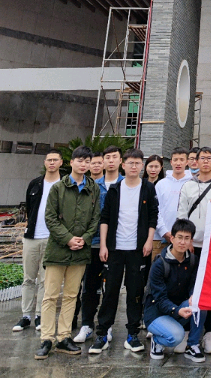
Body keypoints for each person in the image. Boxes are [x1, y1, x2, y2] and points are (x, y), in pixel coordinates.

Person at [88, 148, 158, 355]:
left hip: (138, 249)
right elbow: (105, 219)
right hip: (115, 249)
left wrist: (149, 241)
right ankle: (102, 334)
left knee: (135, 293)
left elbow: (153, 216)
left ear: (141, 166)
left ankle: (132, 334)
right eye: (130, 163)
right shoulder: (115, 189)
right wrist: (103, 245)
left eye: (137, 163)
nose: (134, 166)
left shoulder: (147, 188)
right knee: (110, 292)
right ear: (123, 165)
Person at [35, 146, 100, 360]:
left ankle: (64, 336)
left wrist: (84, 239)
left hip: (81, 250)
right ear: (71, 162)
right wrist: (68, 239)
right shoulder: (58, 187)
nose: (83, 164)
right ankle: (47, 338)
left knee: (72, 295)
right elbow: (50, 218)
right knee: (50, 295)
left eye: (87, 161)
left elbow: (95, 218)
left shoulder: (93, 188)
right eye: (80, 160)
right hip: (58, 249)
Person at [176, 146, 211, 361]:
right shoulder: (188, 185)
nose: (205, 162)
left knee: (209, 290)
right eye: (202, 158)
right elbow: (182, 215)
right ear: (196, 162)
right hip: (190, 246)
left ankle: (209, 333)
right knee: (187, 288)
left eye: (209, 158)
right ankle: (186, 331)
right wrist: (186, 240)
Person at [74, 146, 124, 344]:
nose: (110, 161)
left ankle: (106, 325)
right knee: (89, 286)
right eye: (107, 157)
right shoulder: (93, 185)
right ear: (102, 162)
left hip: (117, 244)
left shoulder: (125, 184)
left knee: (110, 288)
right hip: (93, 243)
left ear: (120, 161)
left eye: (114, 157)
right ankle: (86, 324)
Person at [14, 149, 63, 332]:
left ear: (61, 162)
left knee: (45, 280)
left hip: (52, 239)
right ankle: (26, 315)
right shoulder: (35, 184)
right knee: (28, 278)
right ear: (44, 162)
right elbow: (29, 207)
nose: (52, 163)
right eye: (49, 160)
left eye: (55, 160)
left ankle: (40, 315)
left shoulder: (64, 185)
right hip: (32, 237)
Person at [145, 219, 200, 361]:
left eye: (187, 238)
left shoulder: (193, 260)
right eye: (179, 237)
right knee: (175, 336)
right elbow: (159, 298)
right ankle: (157, 340)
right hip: (157, 312)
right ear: (172, 238)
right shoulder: (160, 264)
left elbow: (194, 285)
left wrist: (193, 296)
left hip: (179, 307)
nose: (182, 242)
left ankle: (192, 345)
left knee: (200, 302)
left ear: (191, 241)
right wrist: (176, 311)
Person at [152, 147, 192, 260]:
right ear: (171, 162)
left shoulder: (192, 183)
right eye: (175, 160)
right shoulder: (161, 184)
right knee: (158, 268)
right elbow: (155, 210)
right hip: (160, 239)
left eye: (181, 160)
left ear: (187, 162)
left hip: (184, 240)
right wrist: (164, 232)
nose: (178, 163)